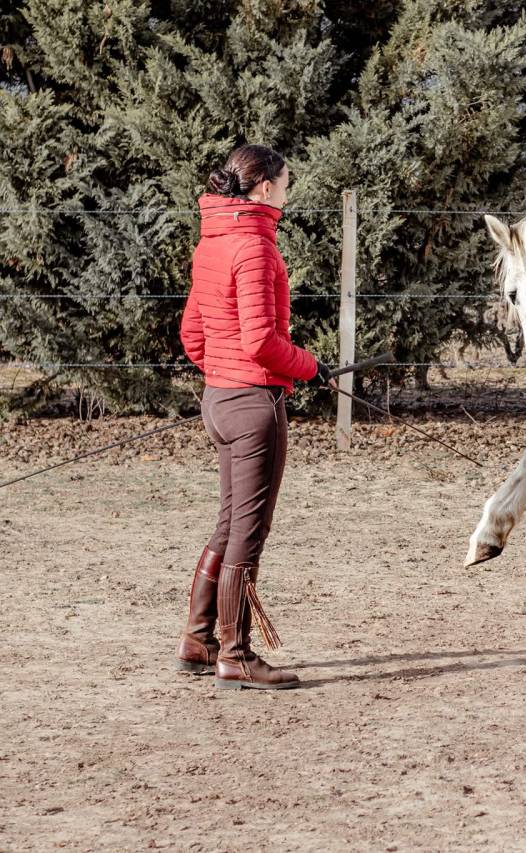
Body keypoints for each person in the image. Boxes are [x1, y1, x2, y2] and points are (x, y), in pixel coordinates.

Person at [175, 143, 334, 690]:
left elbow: (192, 333)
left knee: (229, 525)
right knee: (248, 531)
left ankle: (198, 640)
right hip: (251, 407)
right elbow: (262, 341)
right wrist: (310, 367)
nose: (287, 195)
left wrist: (222, 375)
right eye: (285, 185)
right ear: (264, 187)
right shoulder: (255, 247)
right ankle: (236, 654)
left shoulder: (212, 241)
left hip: (220, 400)